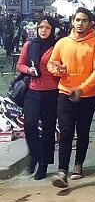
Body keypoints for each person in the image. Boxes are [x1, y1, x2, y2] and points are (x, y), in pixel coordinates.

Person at [47, 8, 95, 187]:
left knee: (83, 131)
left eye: (84, 20)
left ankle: (78, 164)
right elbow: (51, 63)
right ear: (72, 21)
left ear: (90, 23)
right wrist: (56, 69)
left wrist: (82, 87)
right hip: (65, 93)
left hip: (87, 96)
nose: (80, 23)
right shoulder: (62, 43)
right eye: (78, 20)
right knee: (65, 132)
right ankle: (62, 170)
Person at [17, 16, 60, 179]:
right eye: (41, 27)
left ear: (52, 30)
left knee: (49, 128)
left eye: (47, 28)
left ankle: (44, 164)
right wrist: (29, 70)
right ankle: (34, 155)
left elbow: (63, 66)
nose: (43, 30)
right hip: (32, 91)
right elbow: (20, 65)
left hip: (52, 91)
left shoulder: (57, 46)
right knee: (29, 124)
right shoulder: (30, 44)